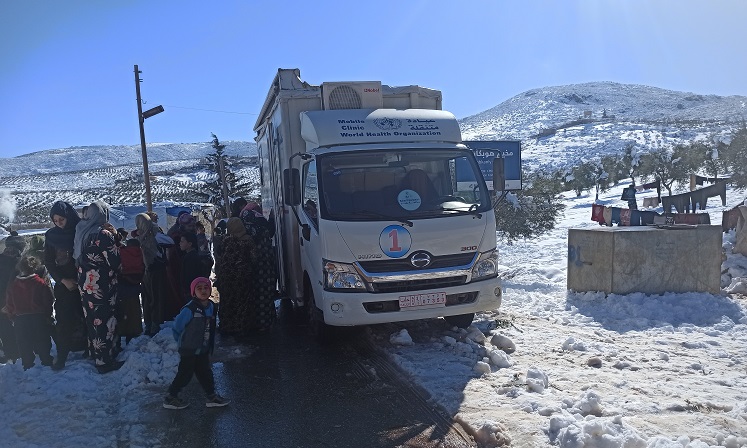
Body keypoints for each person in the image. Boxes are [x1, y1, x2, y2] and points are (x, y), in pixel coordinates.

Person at [163, 277, 229, 410]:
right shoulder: (190, 309)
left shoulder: (211, 306)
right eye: (199, 288)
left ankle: (211, 396)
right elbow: (178, 327)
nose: (203, 291)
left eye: (206, 288)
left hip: (203, 348)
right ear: (194, 292)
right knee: (185, 374)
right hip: (189, 349)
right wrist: (182, 341)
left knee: (205, 373)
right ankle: (171, 396)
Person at [74, 200, 124, 374]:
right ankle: (104, 361)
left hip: (86, 284)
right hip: (102, 284)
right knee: (104, 320)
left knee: (92, 319)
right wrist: (116, 238)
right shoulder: (103, 234)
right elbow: (115, 261)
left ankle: (94, 353)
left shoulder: (81, 230)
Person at [44, 201, 86, 370]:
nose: (59, 223)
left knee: (87, 317)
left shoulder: (80, 231)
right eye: (55, 220)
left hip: (85, 282)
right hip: (64, 285)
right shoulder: (51, 236)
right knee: (64, 320)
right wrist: (62, 280)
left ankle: (90, 348)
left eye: (62, 219)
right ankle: (62, 355)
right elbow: (49, 261)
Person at [3, 255, 54, 370]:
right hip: (38, 317)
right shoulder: (40, 283)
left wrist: (11, 316)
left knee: (23, 342)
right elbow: (48, 300)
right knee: (42, 339)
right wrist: (48, 314)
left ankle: (27, 363)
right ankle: (46, 359)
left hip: (20, 318)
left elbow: (10, 303)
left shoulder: (14, 285)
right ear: (36, 267)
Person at [239, 202, 277, 331]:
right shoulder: (262, 226)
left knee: (256, 295)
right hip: (266, 268)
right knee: (266, 295)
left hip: (255, 269)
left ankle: (256, 323)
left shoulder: (247, 229)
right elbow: (271, 230)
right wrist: (271, 218)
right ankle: (266, 322)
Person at [215, 217, 255, 336]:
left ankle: (226, 326)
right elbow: (254, 258)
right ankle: (241, 328)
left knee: (227, 301)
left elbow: (219, 254)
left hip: (226, 277)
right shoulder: (248, 240)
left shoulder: (225, 240)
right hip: (242, 277)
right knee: (242, 302)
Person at [135, 213, 169, 336]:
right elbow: (169, 242)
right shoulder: (155, 233)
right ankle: (154, 324)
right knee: (155, 296)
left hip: (145, 270)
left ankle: (149, 324)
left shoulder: (139, 236)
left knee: (147, 297)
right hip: (155, 269)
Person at [0, 233, 26, 363]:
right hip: (6, 299)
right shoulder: (18, 262)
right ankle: (12, 352)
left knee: (11, 327)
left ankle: (15, 352)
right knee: (6, 326)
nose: (9, 251)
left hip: (12, 300)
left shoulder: (19, 264)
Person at [115, 237, 144, 347]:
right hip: (135, 287)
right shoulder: (140, 253)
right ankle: (132, 334)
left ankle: (122, 332)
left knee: (123, 311)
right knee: (134, 311)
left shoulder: (122, 253)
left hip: (122, 286)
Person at [179, 232, 210, 303]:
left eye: (182, 241)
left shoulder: (189, 258)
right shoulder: (194, 255)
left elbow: (188, 276)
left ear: (190, 244)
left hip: (190, 292)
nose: (180, 243)